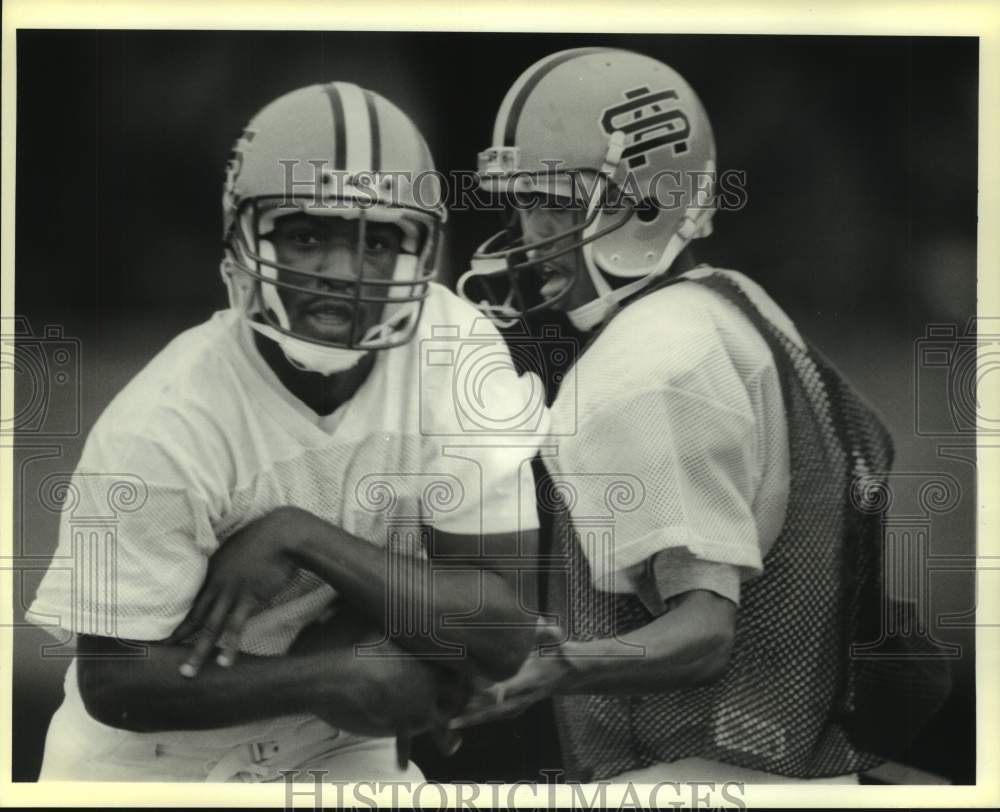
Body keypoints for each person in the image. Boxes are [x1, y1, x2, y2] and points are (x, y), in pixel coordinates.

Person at [26, 81, 542, 782]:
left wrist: (301, 536)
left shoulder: (456, 351)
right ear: (244, 238)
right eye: (305, 237)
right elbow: (114, 683)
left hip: (336, 744)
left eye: (380, 241)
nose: (341, 273)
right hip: (148, 764)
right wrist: (330, 678)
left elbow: (502, 629)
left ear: (423, 252)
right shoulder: (168, 421)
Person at [457, 48, 945, 784]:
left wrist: (560, 667)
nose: (528, 232)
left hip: (693, 769)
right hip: (805, 758)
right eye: (524, 199)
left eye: (555, 200)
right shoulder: (727, 301)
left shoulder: (644, 364)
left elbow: (705, 632)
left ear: (644, 201)